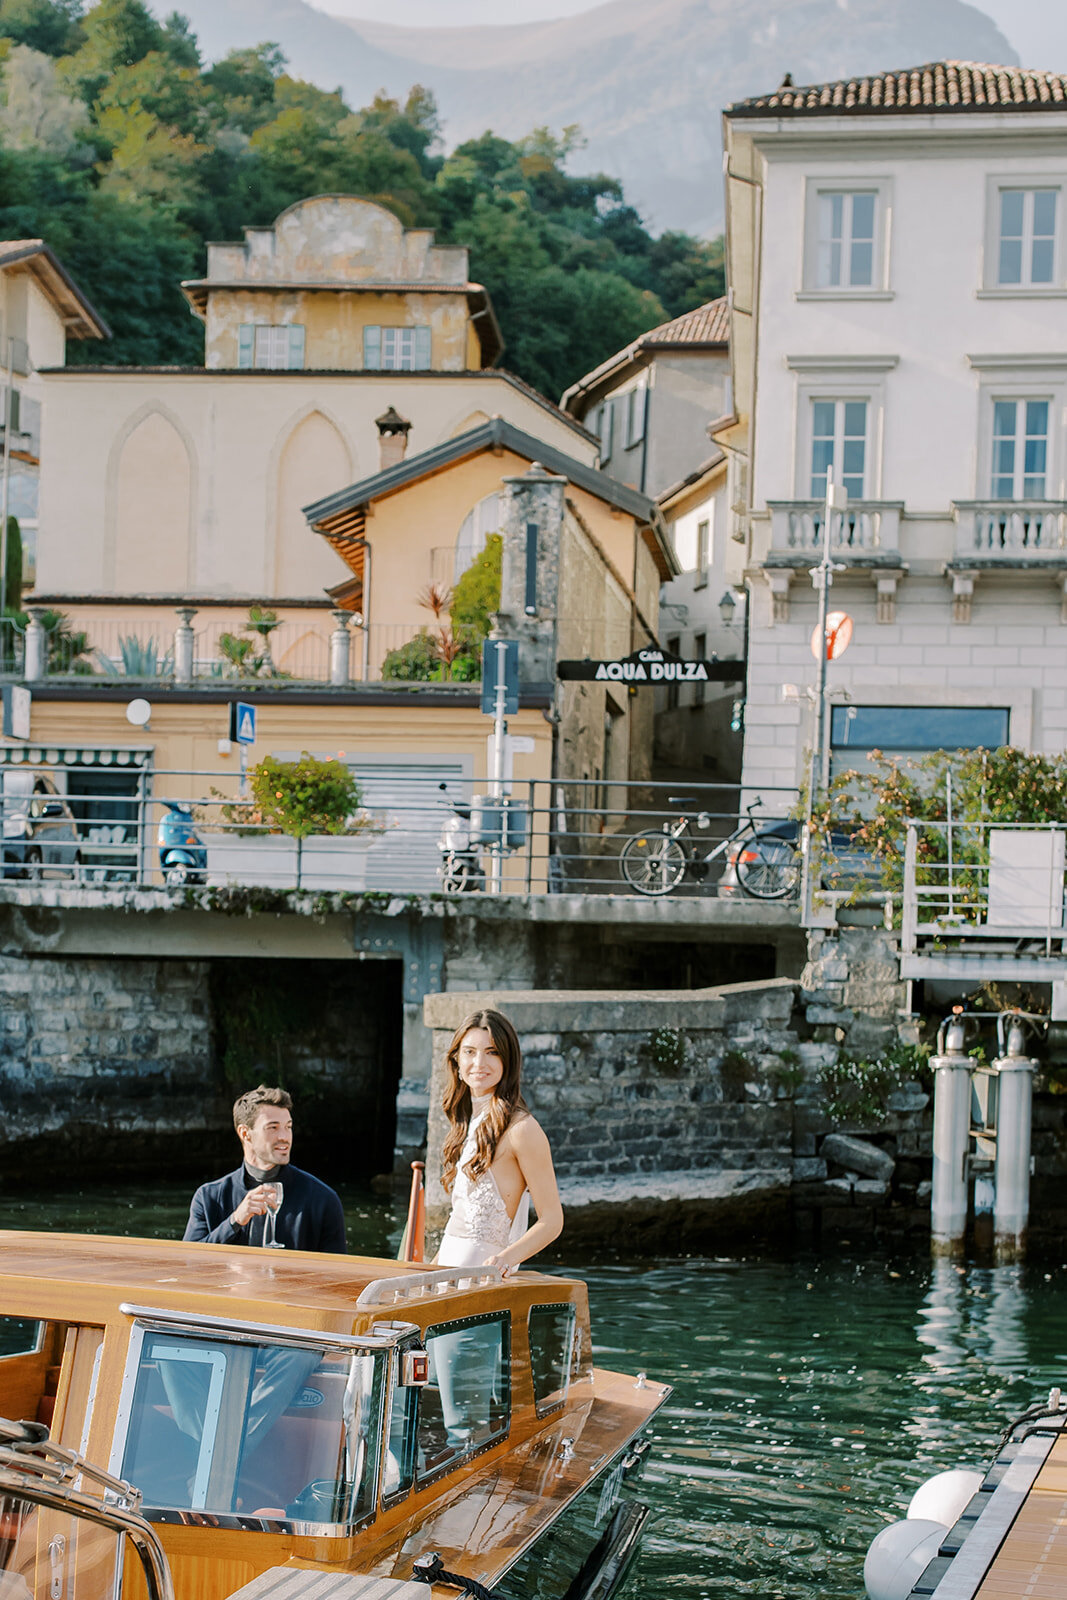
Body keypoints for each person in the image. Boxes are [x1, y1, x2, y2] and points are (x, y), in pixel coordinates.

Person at [437, 1008, 563, 1275]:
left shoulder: (522, 1129)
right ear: (457, 1062)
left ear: (508, 1060)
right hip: (443, 1275)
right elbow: (459, 1223)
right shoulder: (466, 1123)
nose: (479, 1062)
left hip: (480, 1284)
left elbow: (552, 1221)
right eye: (470, 1051)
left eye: (492, 1052)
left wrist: (504, 1261)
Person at [184, 1084, 347, 1253]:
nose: (285, 1137)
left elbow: (338, 1274)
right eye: (273, 1128)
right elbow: (189, 1263)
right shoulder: (207, 1198)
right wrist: (234, 1221)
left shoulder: (324, 1200)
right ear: (245, 1134)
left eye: (288, 1127)